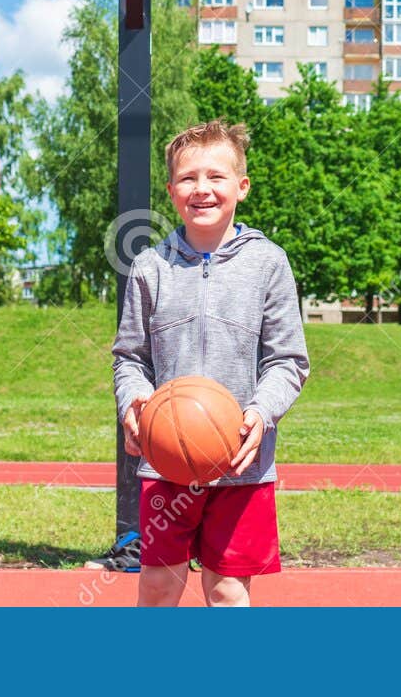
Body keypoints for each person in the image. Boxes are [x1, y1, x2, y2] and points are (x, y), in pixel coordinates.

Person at [111, 119, 309, 607]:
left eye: (216, 177)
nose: (202, 189)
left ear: (241, 186)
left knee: (226, 589)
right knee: (158, 586)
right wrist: (133, 402)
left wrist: (261, 413)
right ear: (171, 189)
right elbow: (129, 359)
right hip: (167, 461)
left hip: (241, 463)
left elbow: (287, 360)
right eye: (188, 178)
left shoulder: (268, 263)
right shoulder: (149, 267)